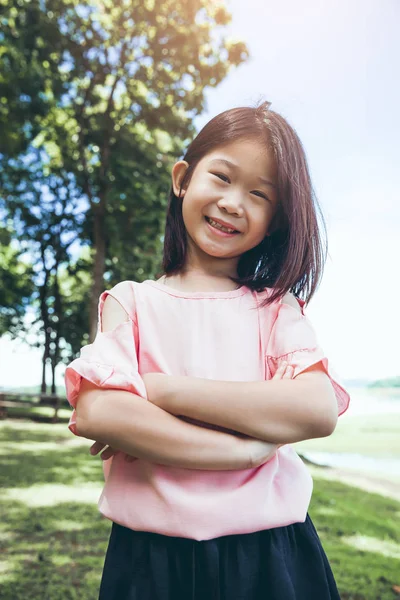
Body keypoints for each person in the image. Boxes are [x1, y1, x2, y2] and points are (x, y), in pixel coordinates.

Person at [65, 101, 350, 600]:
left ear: (276, 221)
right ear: (182, 178)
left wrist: (154, 390)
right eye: (221, 177)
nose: (234, 202)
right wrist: (242, 452)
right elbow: (99, 411)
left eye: (260, 194)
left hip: (271, 556)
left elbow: (316, 408)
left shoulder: (275, 309)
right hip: (150, 561)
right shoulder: (132, 302)